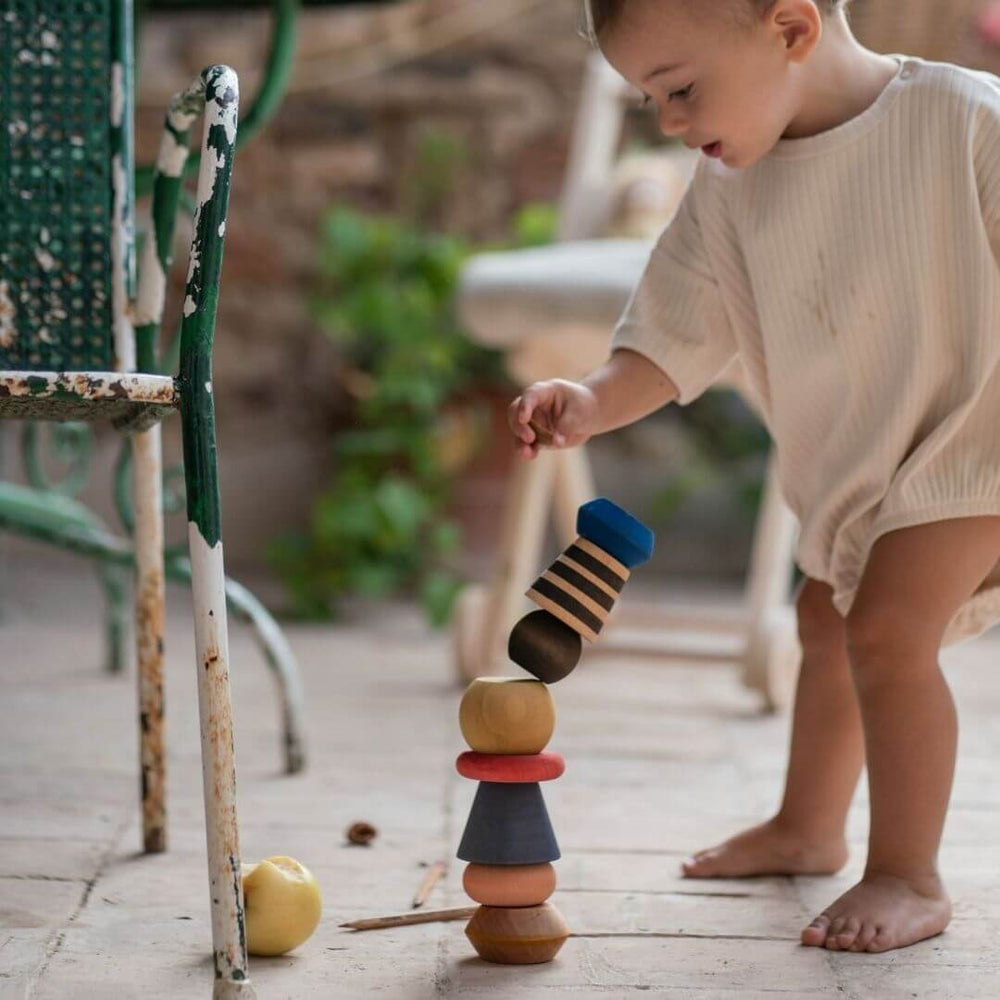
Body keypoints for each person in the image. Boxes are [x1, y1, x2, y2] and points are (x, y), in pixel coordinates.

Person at [508, 0, 1000, 954]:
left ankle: (908, 871)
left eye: (682, 89)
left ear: (791, 27)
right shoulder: (730, 186)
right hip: (857, 469)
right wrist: (594, 398)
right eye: (652, 100)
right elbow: (677, 325)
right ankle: (807, 825)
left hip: (975, 448)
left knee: (889, 635)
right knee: (825, 620)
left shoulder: (966, 122)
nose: (671, 124)